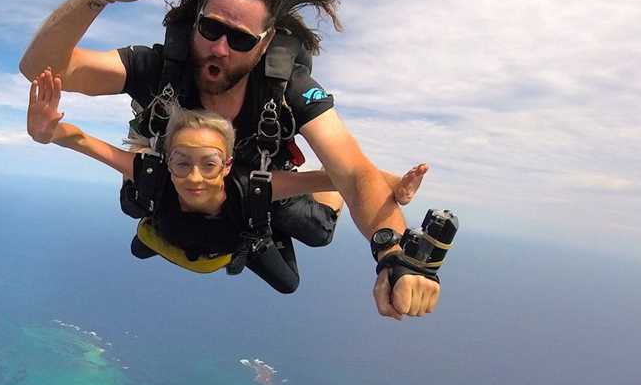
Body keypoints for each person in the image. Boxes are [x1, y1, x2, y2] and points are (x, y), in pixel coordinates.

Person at [19, 0, 439, 319]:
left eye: (239, 38)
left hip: (257, 183)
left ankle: (250, 236)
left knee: (314, 229)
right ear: (196, 19)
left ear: (265, 44)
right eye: (211, 28)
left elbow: (350, 171)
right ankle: (172, 229)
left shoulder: (287, 90)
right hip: (181, 176)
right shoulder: (160, 68)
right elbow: (42, 67)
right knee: (139, 197)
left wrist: (393, 253)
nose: (219, 48)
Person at [28, 68, 425, 295]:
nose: (194, 178)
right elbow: (85, 143)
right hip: (174, 228)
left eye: (208, 164)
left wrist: (390, 186)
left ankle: (255, 239)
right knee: (136, 219)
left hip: (240, 235)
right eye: (181, 164)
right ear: (167, 160)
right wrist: (48, 132)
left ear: (227, 164)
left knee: (308, 248)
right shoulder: (154, 175)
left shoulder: (253, 187)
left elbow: (339, 177)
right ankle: (177, 234)